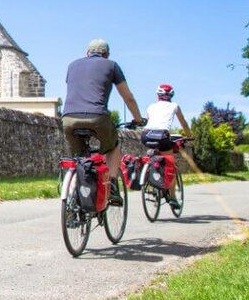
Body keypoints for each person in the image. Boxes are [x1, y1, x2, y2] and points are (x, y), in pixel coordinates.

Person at [61, 39, 145, 206]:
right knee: (113, 147)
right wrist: (138, 119)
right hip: (97, 117)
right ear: (106, 55)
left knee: (77, 160)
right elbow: (128, 97)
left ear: (87, 53)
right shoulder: (112, 65)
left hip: (68, 118)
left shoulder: (72, 65)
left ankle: (71, 202)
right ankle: (113, 185)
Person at [141, 84, 192, 209]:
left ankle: (151, 178)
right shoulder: (174, 106)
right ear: (171, 96)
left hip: (146, 135)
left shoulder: (151, 106)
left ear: (158, 95)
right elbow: (183, 122)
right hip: (162, 136)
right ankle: (173, 197)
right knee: (170, 165)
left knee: (154, 154)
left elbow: (151, 121)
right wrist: (189, 135)